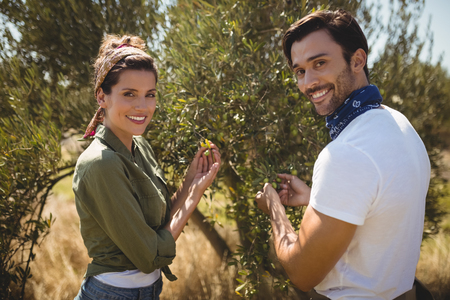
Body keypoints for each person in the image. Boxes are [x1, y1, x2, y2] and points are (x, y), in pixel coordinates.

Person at [255, 9, 432, 300]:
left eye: (319, 63)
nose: (307, 83)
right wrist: (318, 199)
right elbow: (381, 211)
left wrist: (275, 209)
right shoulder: (399, 125)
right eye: (300, 71)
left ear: (357, 60)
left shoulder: (346, 153)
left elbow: (302, 273)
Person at [72, 34, 220, 300]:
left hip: (148, 291)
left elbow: (161, 226)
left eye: (149, 95)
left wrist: (190, 183)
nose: (142, 106)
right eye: (129, 94)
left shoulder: (140, 146)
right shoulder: (101, 163)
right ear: (101, 97)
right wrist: (194, 195)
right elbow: (149, 255)